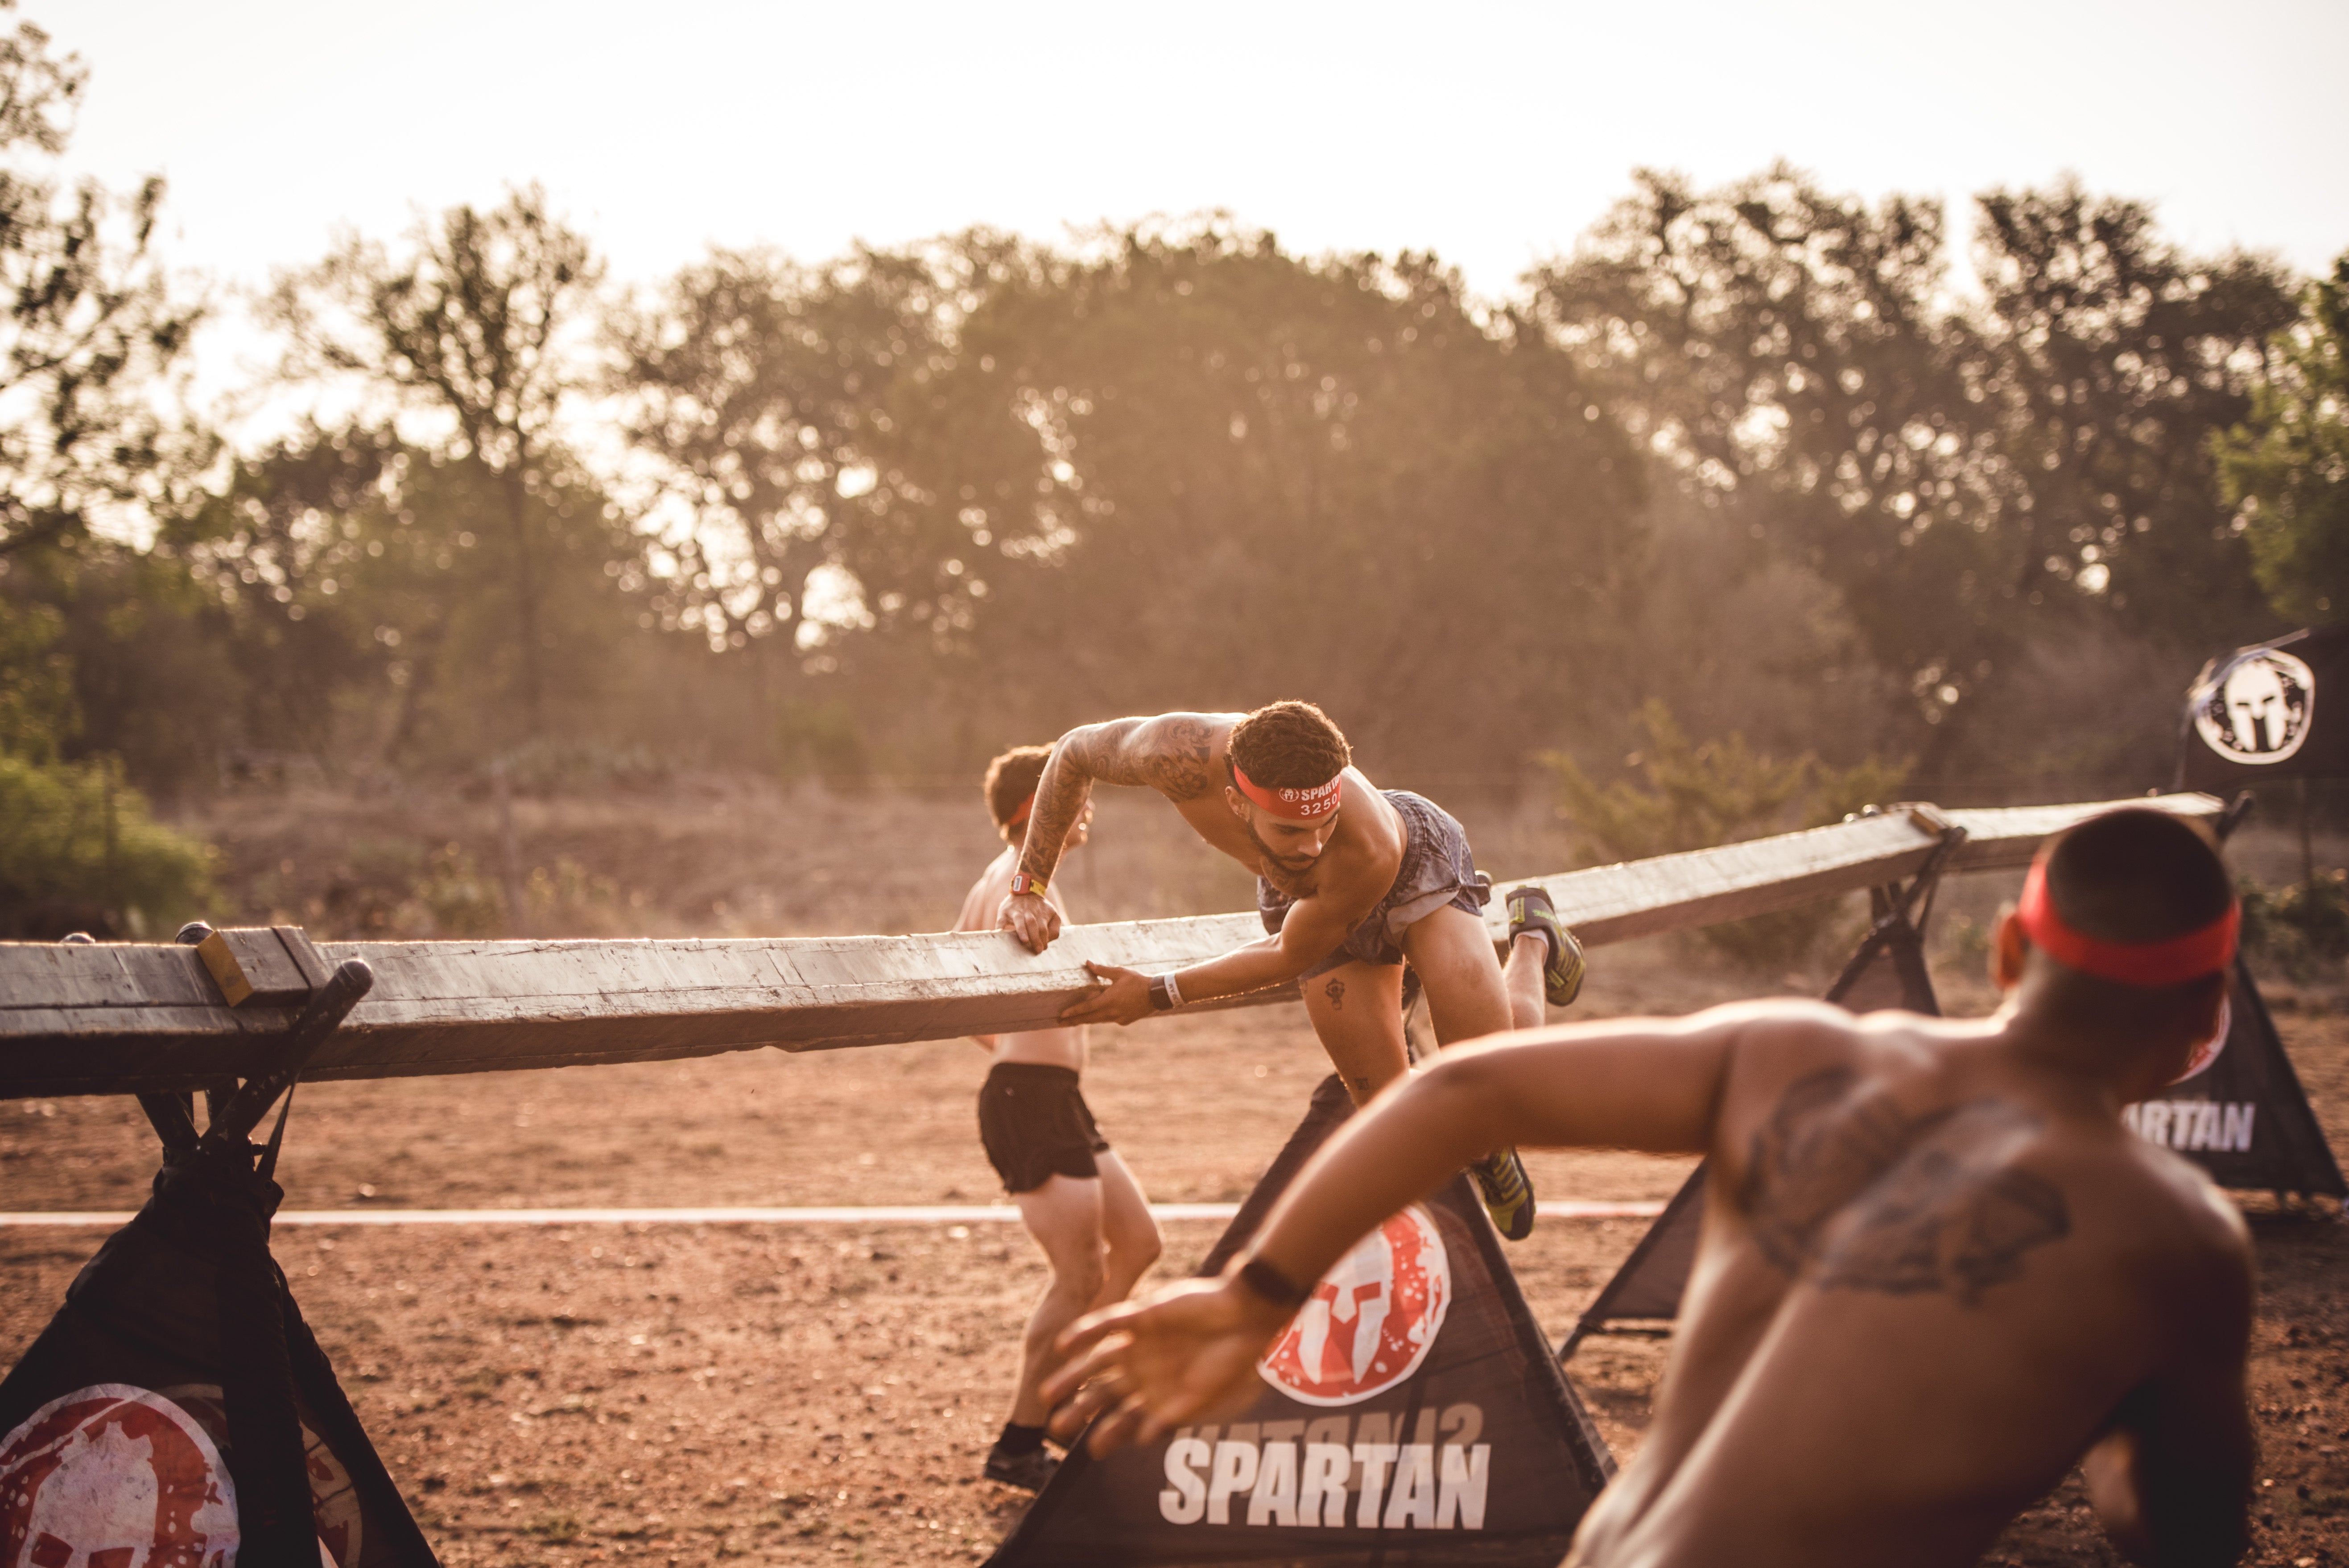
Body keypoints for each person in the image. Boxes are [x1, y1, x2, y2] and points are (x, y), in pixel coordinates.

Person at [1044, 807, 2254, 1568]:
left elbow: (1460, 1093)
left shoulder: (1799, 1056)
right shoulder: (2176, 1239)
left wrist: (1257, 1295)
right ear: (2206, 1018)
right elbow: (2178, 1531)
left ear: (2004, 950)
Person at [998, 701, 1583, 1240]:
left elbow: (1286, 957)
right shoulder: (1176, 754)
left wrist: (1155, 994)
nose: (1311, 846)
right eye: (1290, 831)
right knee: (1395, 1123)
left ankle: (1532, 939)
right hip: (1309, 907)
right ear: (1235, 801)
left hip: (1409, 865)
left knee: (1488, 1083)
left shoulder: (1362, 847)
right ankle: (1481, 1145)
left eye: (1324, 822)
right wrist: (1029, 885)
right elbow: (1074, 752)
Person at [953, 744, 1163, 1490]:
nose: (1087, 809)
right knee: (1079, 1278)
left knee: (1138, 1243)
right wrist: (1023, 1051)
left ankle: (1066, 1398)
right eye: (1069, 797)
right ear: (1030, 814)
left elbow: (962, 985)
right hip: (1028, 1100)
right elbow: (963, 992)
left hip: (1051, 1097)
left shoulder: (1010, 883)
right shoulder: (1017, 885)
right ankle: (1020, 1439)